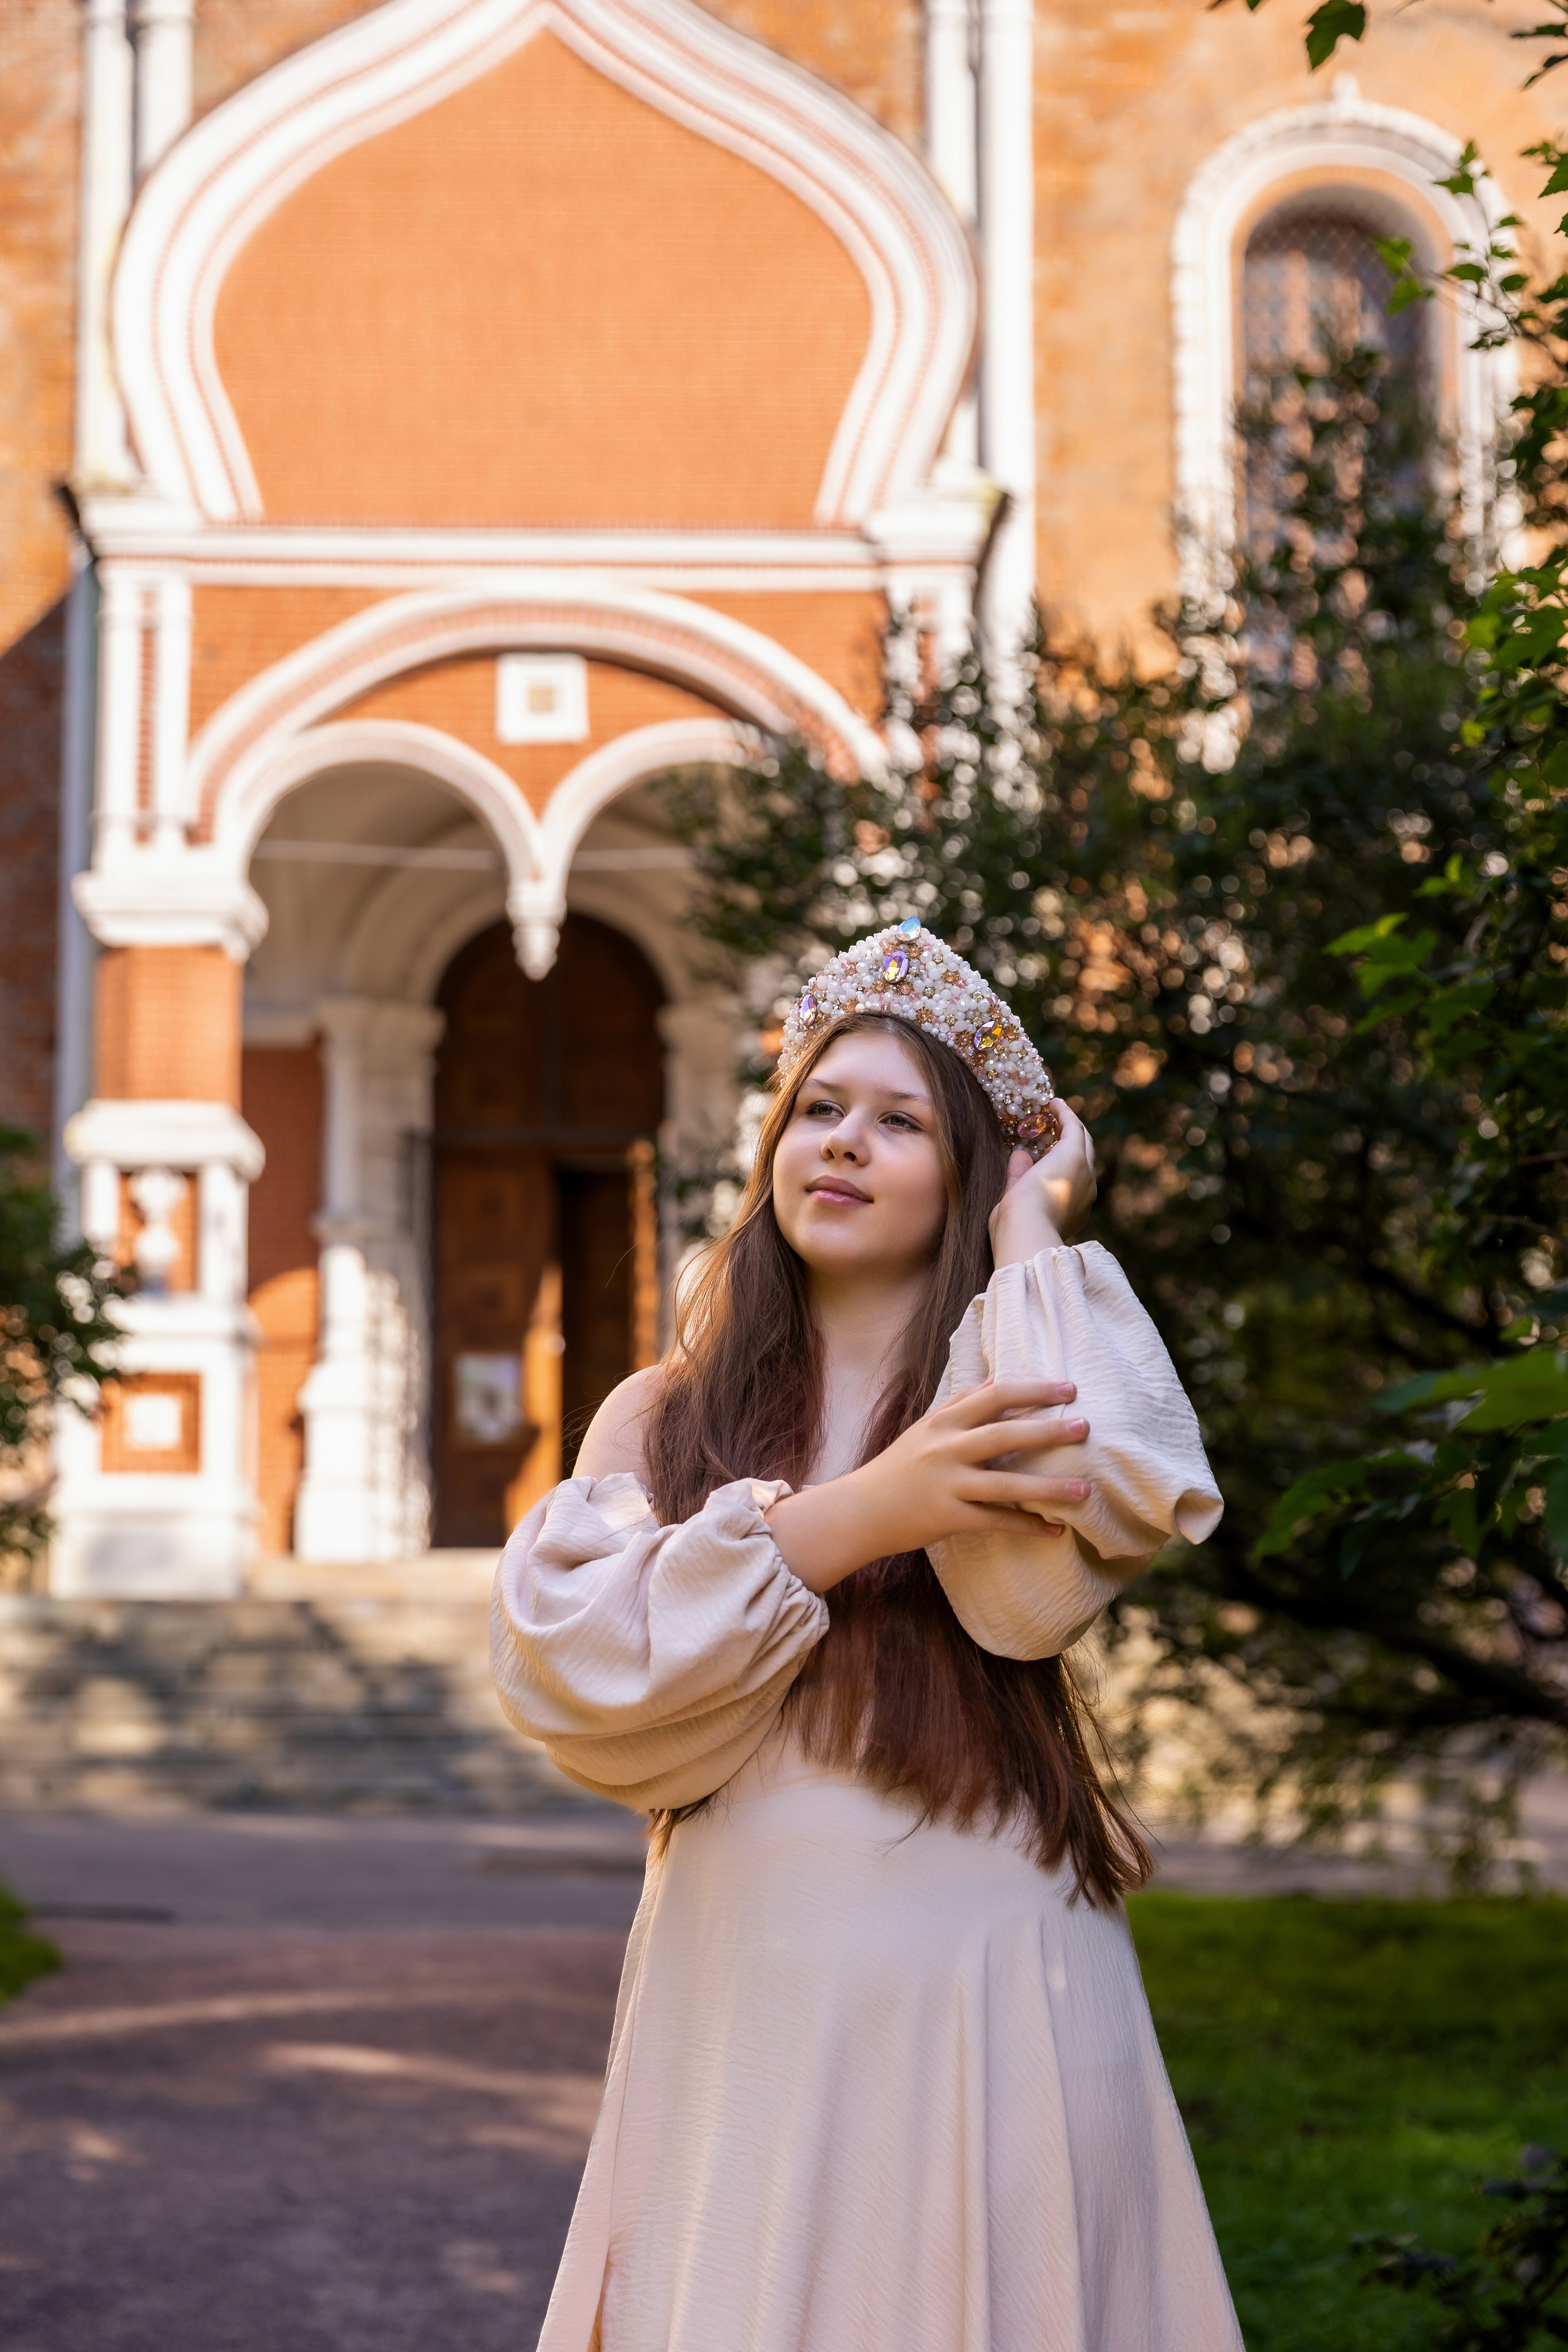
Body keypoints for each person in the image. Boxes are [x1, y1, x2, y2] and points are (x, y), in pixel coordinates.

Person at [491, 922, 1244, 2352]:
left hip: (989, 1966)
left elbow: (1042, 1579)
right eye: (818, 1110)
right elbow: (576, 1677)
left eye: (898, 1122)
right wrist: (863, 1514)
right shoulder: (664, 1412)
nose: (841, 1144)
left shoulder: (1009, 1369)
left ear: (961, 1171)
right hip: (749, 1973)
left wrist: (1036, 1223)